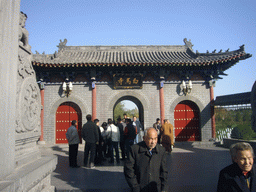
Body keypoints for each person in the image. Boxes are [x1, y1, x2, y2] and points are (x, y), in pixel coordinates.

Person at [124, 128, 168, 192]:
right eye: (151, 139)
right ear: (144, 138)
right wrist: (135, 187)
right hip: (140, 188)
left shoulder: (161, 150)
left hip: (156, 188)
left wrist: (164, 189)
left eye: (155, 138)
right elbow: (129, 170)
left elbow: (164, 171)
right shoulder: (134, 150)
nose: (153, 142)